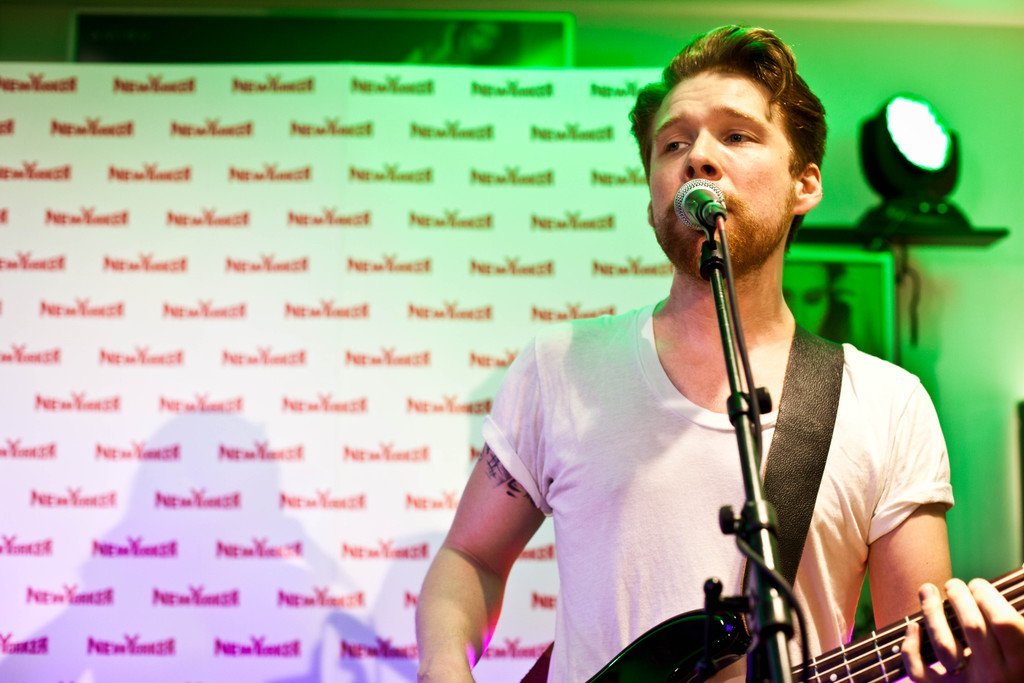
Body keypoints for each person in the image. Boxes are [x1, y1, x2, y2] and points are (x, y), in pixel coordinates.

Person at [416, 25, 960, 682]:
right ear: (653, 200)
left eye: (737, 135)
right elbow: (469, 559)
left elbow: (922, 657)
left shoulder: (888, 405)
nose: (698, 156)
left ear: (805, 184)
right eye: (673, 143)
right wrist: (444, 669)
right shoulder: (562, 367)